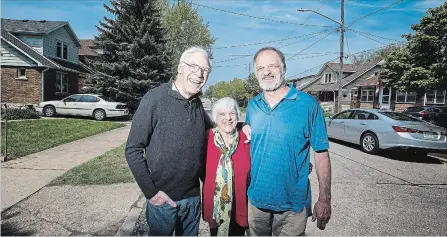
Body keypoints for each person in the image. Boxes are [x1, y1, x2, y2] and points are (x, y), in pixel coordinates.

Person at [243, 47, 332, 236]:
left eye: (272, 66)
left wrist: (324, 199)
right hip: (256, 202)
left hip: (293, 206)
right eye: (260, 68)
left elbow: (321, 154)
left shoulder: (308, 105)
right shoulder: (253, 106)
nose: (266, 72)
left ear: (284, 68)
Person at [125, 46, 213, 236]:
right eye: (193, 66)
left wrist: (241, 127)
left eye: (205, 70)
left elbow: (216, 130)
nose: (199, 74)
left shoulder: (197, 104)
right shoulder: (155, 98)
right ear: (180, 67)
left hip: (193, 199)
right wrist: (151, 193)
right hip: (163, 200)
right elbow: (133, 149)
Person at [202, 97, 250, 236]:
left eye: (232, 113)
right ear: (214, 117)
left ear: (238, 116)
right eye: (222, 114)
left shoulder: (247, 138)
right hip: (215, 205)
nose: (228, 118)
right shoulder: (206, 138)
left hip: (240, 204)